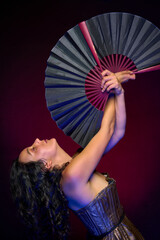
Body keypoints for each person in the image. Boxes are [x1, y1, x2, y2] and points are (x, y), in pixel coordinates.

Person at [10, 70, 144, 240]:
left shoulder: (77, 162)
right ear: (45, 165)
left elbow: (117, 131)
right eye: (33, 149)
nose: (36, 140)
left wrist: (119, 92)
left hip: (129, 231)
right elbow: (107, 129)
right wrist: (113, 87)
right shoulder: (72, 176)